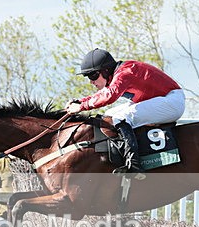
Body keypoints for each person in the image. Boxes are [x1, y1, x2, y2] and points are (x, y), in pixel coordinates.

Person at [65, 48, 185, 176]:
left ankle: (133, 165)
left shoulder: (125, 72)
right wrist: (80, 101)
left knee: (120, 117)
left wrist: (82, 106)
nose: (91, 81)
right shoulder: (119, 72)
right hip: (162, 99)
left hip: (172, 101)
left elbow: (110, 95)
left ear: (106, 70)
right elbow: (105, 93)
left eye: (93, 75)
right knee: (109, 115)